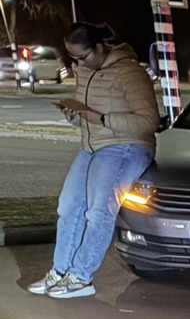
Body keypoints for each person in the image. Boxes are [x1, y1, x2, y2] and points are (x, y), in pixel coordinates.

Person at [29, 23, 160, 300]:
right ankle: (60, 271)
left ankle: (81, 277)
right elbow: (86, 108)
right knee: (69, 206)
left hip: (125, 146)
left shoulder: (130, 73)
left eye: (82, 56)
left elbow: (149, 123)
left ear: (100, 47)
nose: (78, 63)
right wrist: (74, 113)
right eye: (73, 58)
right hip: (92, 146)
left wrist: (100, 119)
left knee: (99, 211)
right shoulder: (86, 69)